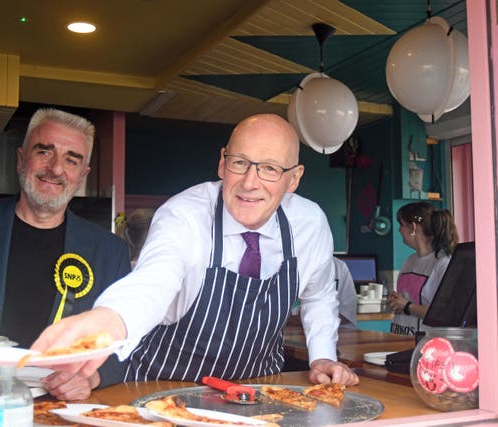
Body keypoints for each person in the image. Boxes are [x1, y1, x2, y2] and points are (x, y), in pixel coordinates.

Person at [32, 113, 359, 387]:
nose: (249, 182)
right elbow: (156, 280)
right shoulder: (184, 214)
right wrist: (110, 321)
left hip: (258, 394)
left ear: (294, 179)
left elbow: (318, 296)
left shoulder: (309, 223)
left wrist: (322, 357)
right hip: (163, 390)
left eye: (270, 169)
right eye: (240, 163)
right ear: (221, 163)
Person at [0, 108, 131, 399]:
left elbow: (129, 344)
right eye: (44, 152)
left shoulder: (109, 252)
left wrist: (92, 377)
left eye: (71, 159)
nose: (56, 168)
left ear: (82, 174)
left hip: (55, 408)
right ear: (22, 160)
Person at [386, 202, 459, 336]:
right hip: (402, 341)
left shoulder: (443, 263)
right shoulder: (410, 260)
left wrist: (407, 306)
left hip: (427, 347)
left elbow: (447, 315)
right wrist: (397, 301)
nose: (399, 230)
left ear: (413, 227)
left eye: (401, 225)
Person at [333, 257, 358, 329]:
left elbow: (348, 313)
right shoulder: (301, 264)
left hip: (339, 334)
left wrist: (320, 320)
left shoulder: (339, 267)